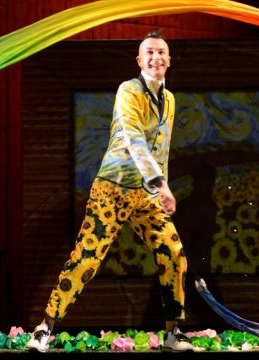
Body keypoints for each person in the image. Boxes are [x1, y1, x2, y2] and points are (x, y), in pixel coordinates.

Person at [26, 31, 194, 352]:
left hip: (146, 195)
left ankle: (174, 332)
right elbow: (134, 139)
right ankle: (44, 327)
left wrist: (159, 187)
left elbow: (161, 148)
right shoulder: (128, 90)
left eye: (161, 52)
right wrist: (160, 183)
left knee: (173, 253)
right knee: (87, 259)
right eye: (149, 52)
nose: (156, 57)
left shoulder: (170, 99)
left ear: (169, 60)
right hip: (113, 189)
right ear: (139, 60)